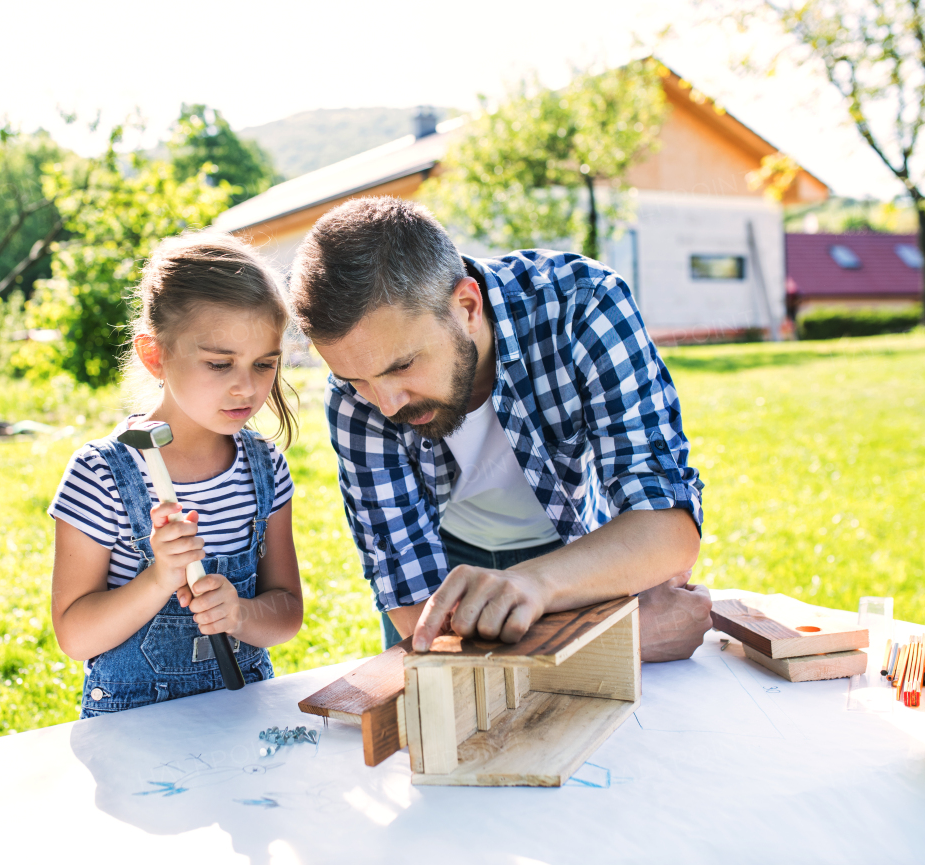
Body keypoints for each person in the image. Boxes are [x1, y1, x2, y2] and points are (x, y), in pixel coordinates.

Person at [289, 197, 710, 661]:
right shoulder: (354, 397)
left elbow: (667, 526)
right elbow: (423, 619)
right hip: (445, 567)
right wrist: (605, 639)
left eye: (404, 365)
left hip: (576, 552)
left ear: (467, 306)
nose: (387, 406)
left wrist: (536, 585)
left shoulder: (583, 307)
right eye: (358, 380)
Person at [49, 234, 304, 717]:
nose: (246, 387)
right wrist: (158, 578)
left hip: (240, 716)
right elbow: (75, 636)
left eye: (264, 364)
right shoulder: (100, 473)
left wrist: (242, 614)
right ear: (154, 355)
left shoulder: (263, 468)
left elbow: (287, 610)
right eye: (219, 363)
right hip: (135, 735)